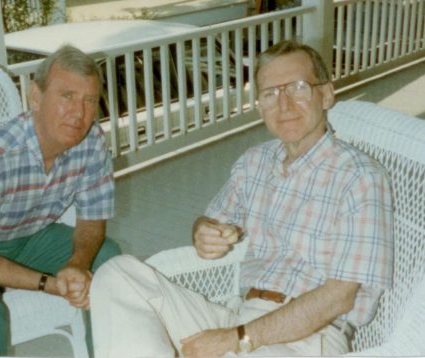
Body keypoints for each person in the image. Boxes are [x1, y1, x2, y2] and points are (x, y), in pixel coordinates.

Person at [89, 40, 394, 357]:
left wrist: (237, 339)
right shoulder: (254, 163)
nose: (283, 104)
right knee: (117, 274)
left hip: (308, 337)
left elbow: (338, 297)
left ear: (327, 94)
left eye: (298, 88)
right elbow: (214, 221)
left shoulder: (361, 178)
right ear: (260, 106)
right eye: (270, 94)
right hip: (238, 316)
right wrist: (204, 231)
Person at [0, 45, 121, 356]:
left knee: (108, 260)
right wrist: (51, 284)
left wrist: (76, 266)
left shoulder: (92, 141)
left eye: (89, 101)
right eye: (67, 96)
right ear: (36, 97)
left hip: (26, 235)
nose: (78, 113)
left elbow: (93, 220)